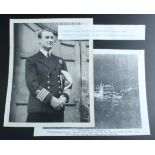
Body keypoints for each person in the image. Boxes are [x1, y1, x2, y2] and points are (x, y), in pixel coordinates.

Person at [25, 29, 72, 122]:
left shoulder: (60, 60)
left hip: (57, 110)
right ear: (39, 40)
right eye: (47, 37)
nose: (50, 40)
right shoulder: (32, 60)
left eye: (52, 38)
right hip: (38, 110)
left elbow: (68, 82)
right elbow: (32, 85)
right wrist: (51, 99)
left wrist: (63, 98)